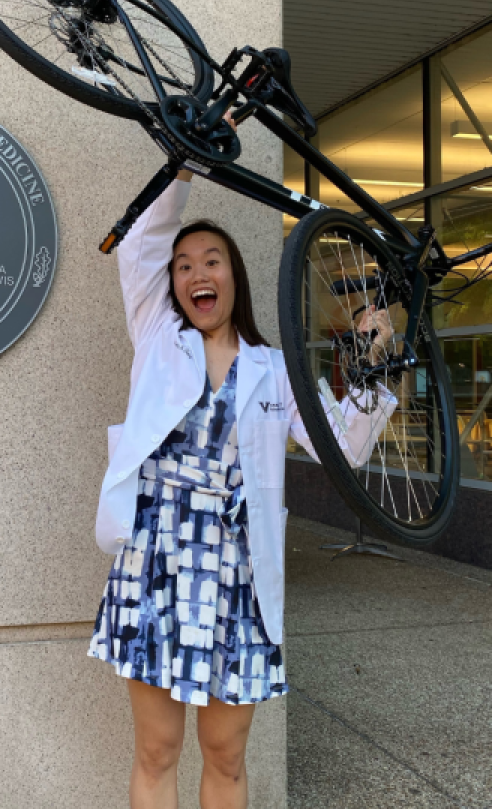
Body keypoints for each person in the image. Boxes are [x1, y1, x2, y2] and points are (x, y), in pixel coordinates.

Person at [87, 166, 396, 809]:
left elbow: (346, 446)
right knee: (156, 751)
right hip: (156, 562)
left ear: (235, 276)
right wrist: (189, 161)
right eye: (184, 266)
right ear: (170, 284)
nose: (198, 274)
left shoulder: (274, 371)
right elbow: (144, 239)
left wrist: (370, 361)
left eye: (213, 261)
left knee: (226, 758)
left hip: (238, 576)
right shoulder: (156, 337)